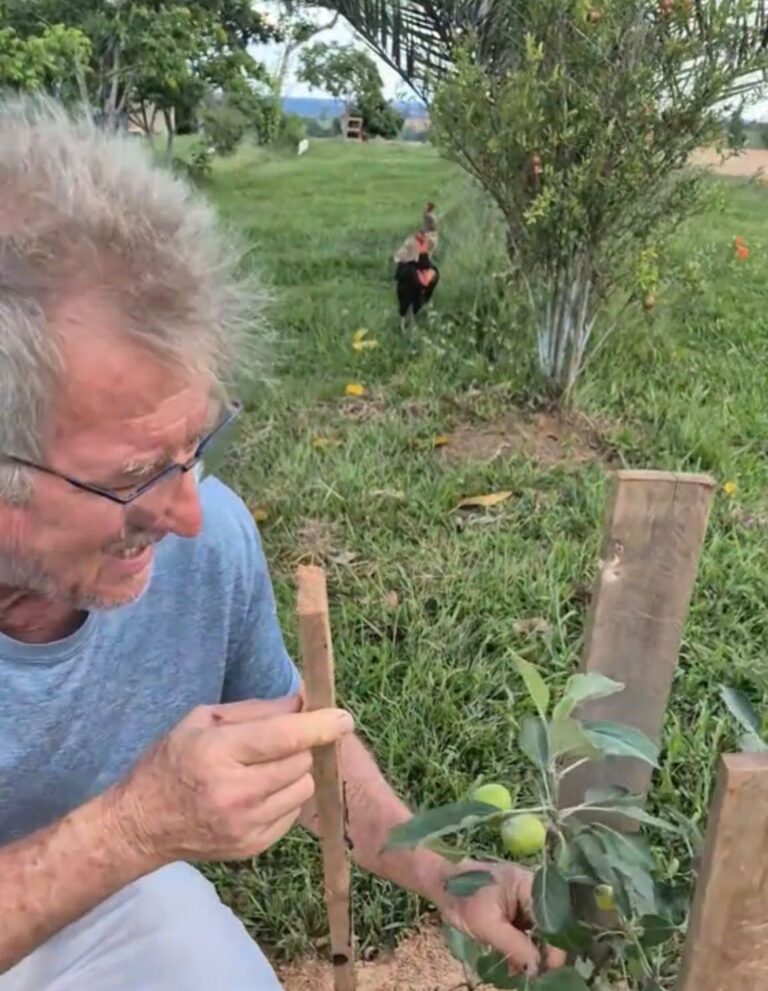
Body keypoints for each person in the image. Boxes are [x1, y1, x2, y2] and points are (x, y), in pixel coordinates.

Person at [0, 97, 563, 990]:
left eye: (198, 447)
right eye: (134, 475)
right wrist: (132, 827)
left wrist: (447, 876)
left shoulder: (203, 538)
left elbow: (300, 739)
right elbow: (125, 833)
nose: (188, 514)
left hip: (92, 893)